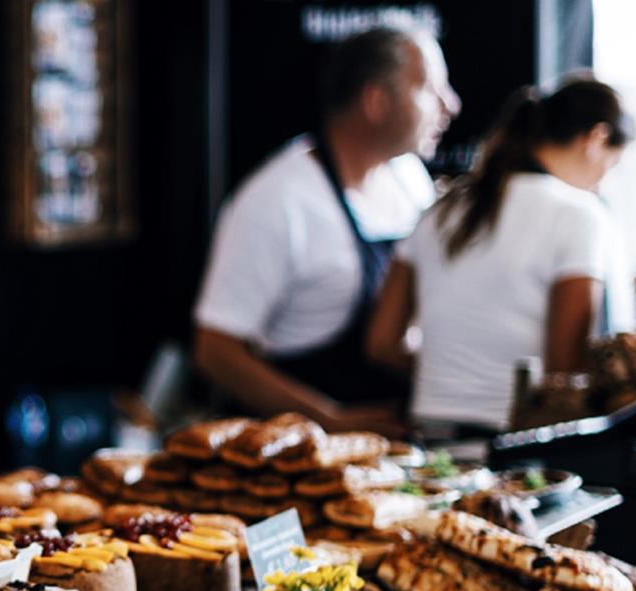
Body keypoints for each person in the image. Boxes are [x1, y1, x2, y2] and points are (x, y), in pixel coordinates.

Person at [193, 26, 461, 437]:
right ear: (376, 101)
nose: (451, 105)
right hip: (296, 456)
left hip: (396, 444)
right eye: (430, 88)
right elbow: (215, 351)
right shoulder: (277, 200)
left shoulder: (409, 178)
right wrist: (326, 419)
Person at [365, 77, 635, 433]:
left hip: (430, 437)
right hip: (517, 446)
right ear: (597, 140)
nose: (604, 182)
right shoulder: (581, 215)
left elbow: (381, 344)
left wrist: (453, 369)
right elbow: (564, 371)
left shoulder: (440, 210)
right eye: (612, 166)